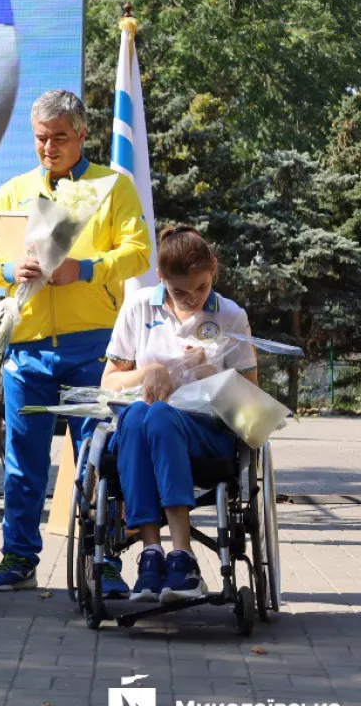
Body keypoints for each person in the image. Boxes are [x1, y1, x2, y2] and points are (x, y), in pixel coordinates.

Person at [0, 90, 150, 592]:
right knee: (24, 465)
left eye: (60, 138)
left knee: (99, 460)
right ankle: (18, 558)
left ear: (83, 133)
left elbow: (138, 252)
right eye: (41, 139)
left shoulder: (112, 187)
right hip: (25, 348)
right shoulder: (14, 190)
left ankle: (105, 561)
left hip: (93, 347)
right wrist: (6, 268)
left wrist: (85, 269)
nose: (49, 148)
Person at [101, 226, 259, 602]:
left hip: (206, 428)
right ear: (161, 278)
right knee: (142, 416)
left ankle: (181, 553)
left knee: (155, 417)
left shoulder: (231, 316)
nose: (191, 300)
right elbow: (108, 382)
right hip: (143, 424)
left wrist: (210, 372)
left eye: (201, 288)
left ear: (214, 271)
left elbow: (251, 399)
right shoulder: (140, 307)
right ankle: (154, 555)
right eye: (179, 291)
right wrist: (147, 372)